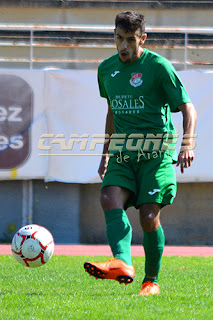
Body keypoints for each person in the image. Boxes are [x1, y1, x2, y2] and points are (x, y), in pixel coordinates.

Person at [84, 11, 197, 296]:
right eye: (118, 39)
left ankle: (151, 281)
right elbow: (111, 112)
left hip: (156, 153)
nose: (123, 46)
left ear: (142, 39)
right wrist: (105, 153)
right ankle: (121, 263)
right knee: (109, 197)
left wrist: (187, 144)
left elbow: (188, 108)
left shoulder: (158, 67)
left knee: (148, 217)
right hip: (122, 152)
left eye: (130, 40)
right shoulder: (106, 69)